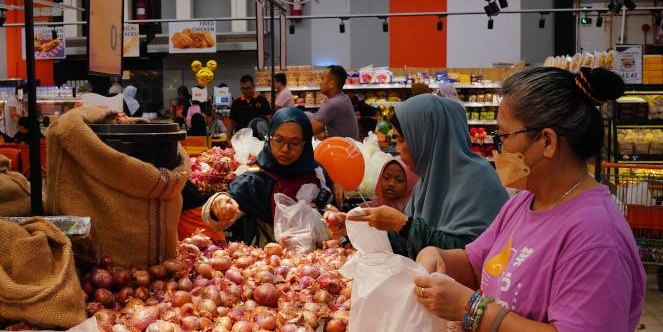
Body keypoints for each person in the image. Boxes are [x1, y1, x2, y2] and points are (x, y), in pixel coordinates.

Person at [412, 67, 654, 332]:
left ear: (546, 141)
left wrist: (472, 310)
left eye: (504, 136)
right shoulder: (524, 202)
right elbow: (474, 260)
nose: (498, 148)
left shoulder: (593, 233)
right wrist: (437, 260)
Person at [346, 94, 507, 258]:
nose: (398, 150)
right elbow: (406, 239)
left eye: (401, 140)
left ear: (425, 138)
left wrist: (404, 225)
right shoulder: (427, 180)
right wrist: (358, 226)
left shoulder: (478, 181)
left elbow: (470, 256)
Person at [202, 108, 332, 245]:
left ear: (305, 144)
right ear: (269, 138)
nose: (285, 149)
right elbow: (218, 221)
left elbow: (333, 215)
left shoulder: (317, 175)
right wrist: (218, 204)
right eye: (278, 140)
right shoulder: (257, 176)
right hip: (265, 259)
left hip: (314, 260)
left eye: (294, 143)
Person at [310, 65, 358, 140]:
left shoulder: (332, 104)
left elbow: (310, 130)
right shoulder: (344, 97)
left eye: (322, 79)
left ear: (331, 83)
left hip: (341, 149)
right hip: (350, 146)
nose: (320, 83)